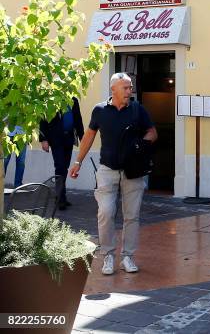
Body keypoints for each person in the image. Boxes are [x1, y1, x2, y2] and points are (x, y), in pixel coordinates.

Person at [68, 73, 157, 276]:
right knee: (106, 212)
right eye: (125, 88)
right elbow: (89, 137)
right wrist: (77, 162)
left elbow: (152, 132)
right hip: (107, 169)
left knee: (132, 216)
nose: (129, 91)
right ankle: (108, 254)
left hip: (133, 171)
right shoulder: (100, 110)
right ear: (113, 89)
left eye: (130, 87)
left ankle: (128, 256)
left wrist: (141, 143)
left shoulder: (137, 110)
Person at [40, 97, 84, 210]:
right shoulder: (51, 98)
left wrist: (83, 138)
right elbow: (43, 119)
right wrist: (43, 139)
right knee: (60, 167)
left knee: (64, 167)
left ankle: (60, 195)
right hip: (56, 139)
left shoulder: (73, 100)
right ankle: (60, 199)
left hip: (68, 138)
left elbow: (78, 119)